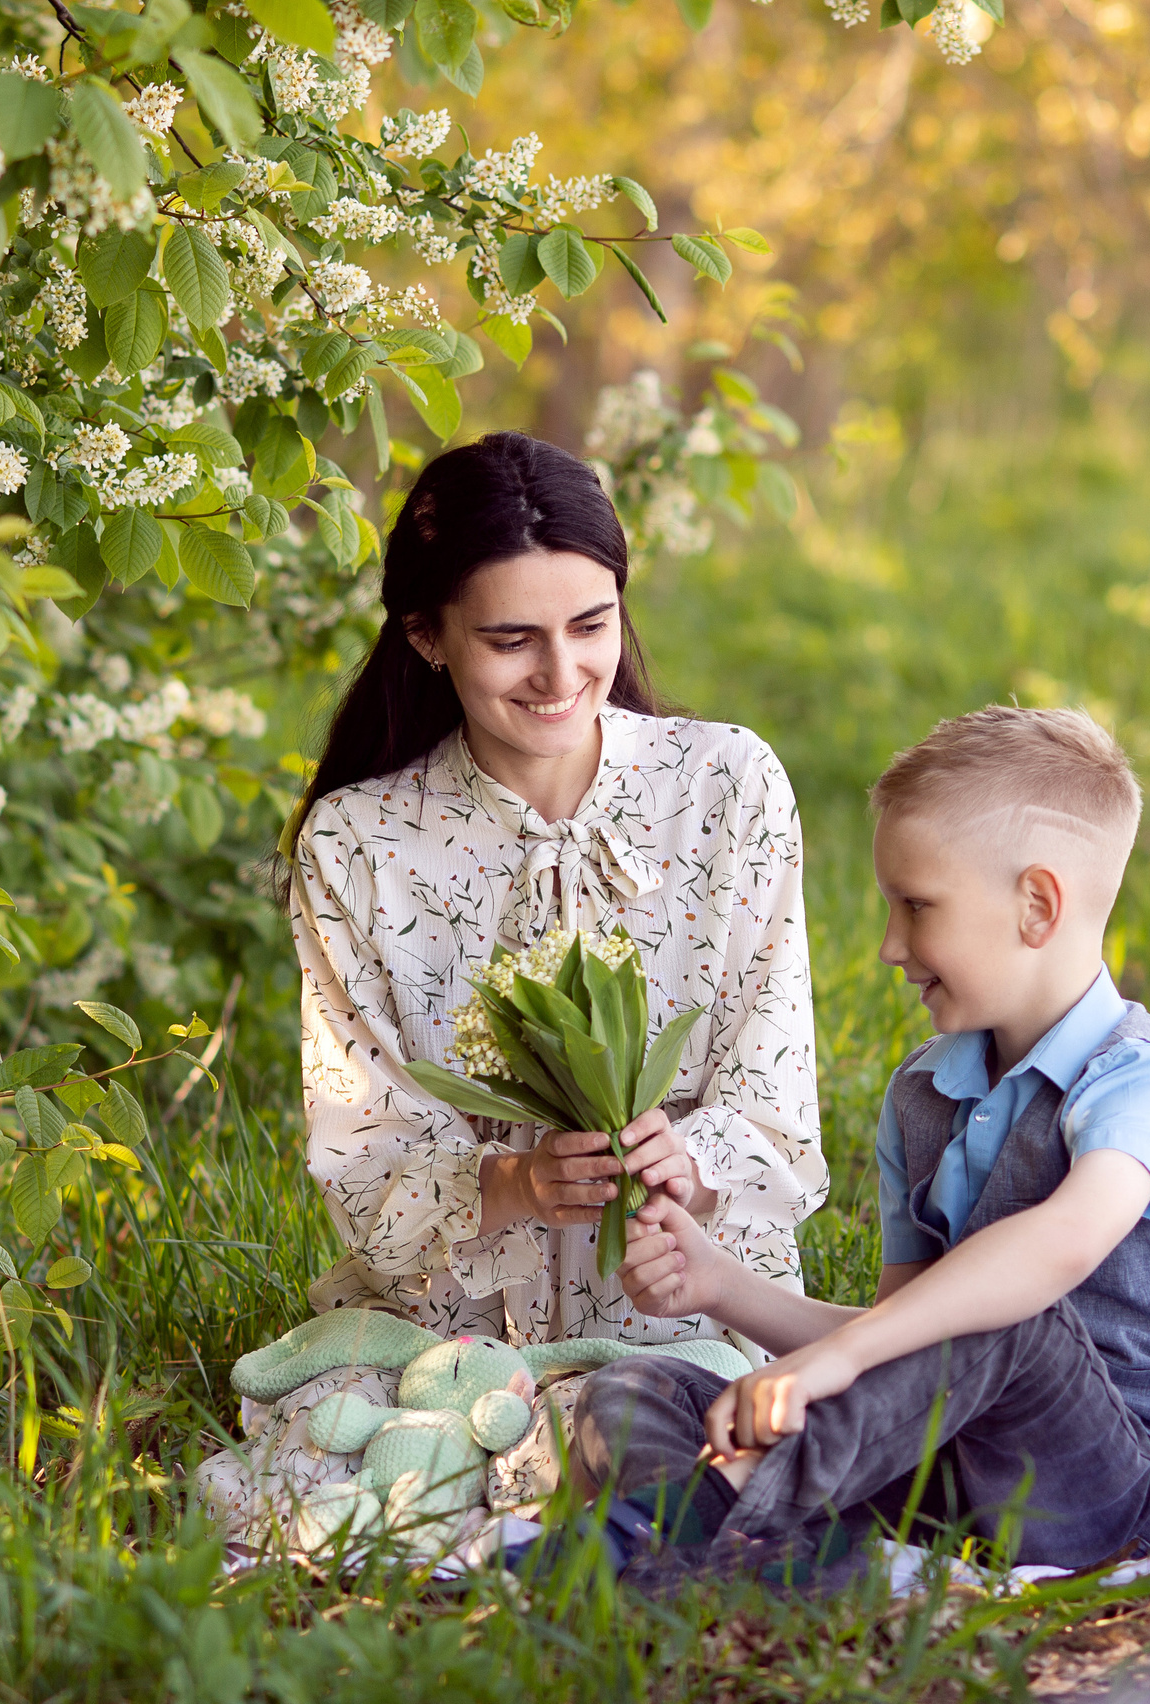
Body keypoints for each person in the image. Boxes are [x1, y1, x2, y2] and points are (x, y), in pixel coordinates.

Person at [197, 431, 824, 1544]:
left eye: (590, 626)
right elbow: (364, 1145)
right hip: (457, 1326)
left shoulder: (726, 783)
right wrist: (518, 1182)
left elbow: (775, 1086)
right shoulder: (359, 841)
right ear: (426, 637)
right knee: (351, 1465)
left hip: (693, 1299)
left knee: (687, 1446)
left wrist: (690, 1159)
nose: (560, 674)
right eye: (509, 640)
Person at [564, 704, 1150, 1586]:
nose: (891, 946)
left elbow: (1054, 1248)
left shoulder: (1146, 1084)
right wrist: (720, 1285)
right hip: (949, 1475)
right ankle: (749, 1556)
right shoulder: (926, 1094)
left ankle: (682, 1543)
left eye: (916, 907)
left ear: (1037, 904)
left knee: (1010, 1318)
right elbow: (904, 1339)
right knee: (636, 1387)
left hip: (1120, 1495)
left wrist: (835, 1362)